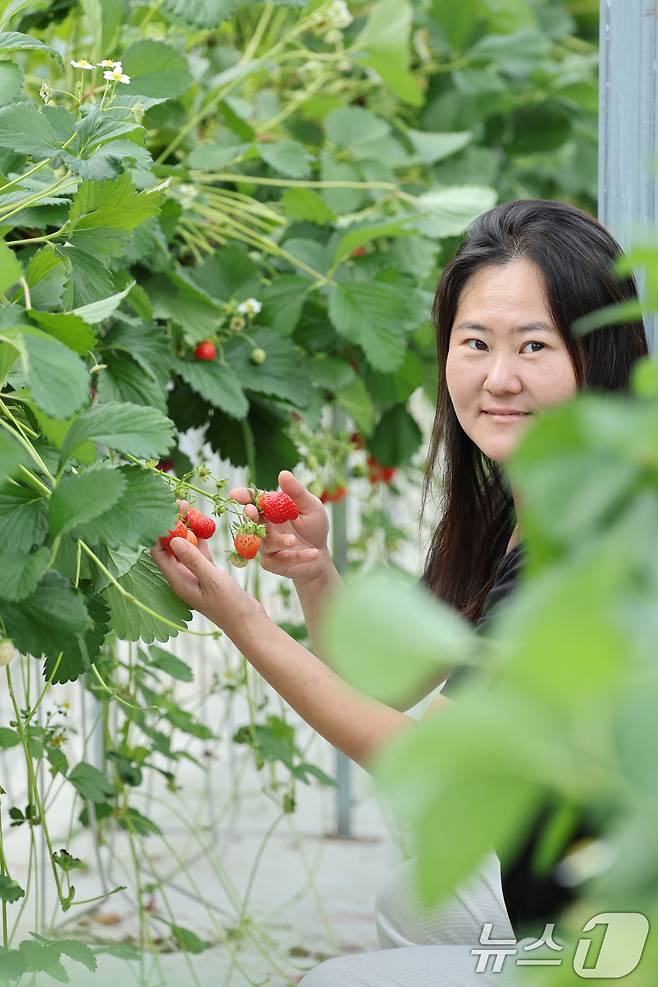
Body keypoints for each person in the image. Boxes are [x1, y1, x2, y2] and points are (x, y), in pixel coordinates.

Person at [152, 199, 649, 985]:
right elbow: (390, 678)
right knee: (410, 904)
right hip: (567, 882)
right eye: (475, 343)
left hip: (618, 925)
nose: (498, 377)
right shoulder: (525, 496)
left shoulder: (587, 540)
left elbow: (419, 757)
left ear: (603, 355)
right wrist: (316, 573)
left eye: (534, 346)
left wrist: (244, 622)